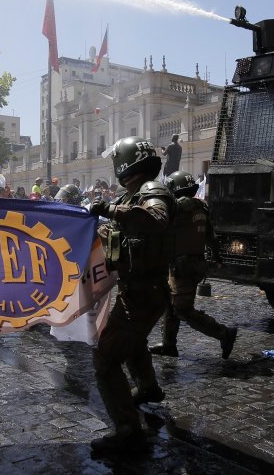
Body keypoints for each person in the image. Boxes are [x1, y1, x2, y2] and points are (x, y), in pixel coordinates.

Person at [87, 136, 174, 455]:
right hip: (138, 289)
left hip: (143, 292)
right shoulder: (133, 195)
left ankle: (127, 429)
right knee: (133, 342)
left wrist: (110, 209)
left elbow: (156, 220)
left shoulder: (151, 191)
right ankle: (148, 388)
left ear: (123, 163)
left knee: (106, 357)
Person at [149, 171, 238, 359]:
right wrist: (218, 256)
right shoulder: (201, 208)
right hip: (190, 264)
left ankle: (224, 333)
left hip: (184, 266)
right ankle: (168, 345)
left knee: (182, 308)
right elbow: (210, 236)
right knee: (170, 304)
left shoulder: (179, 207)